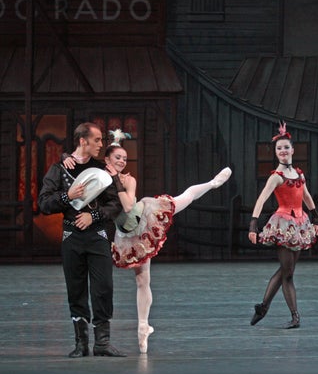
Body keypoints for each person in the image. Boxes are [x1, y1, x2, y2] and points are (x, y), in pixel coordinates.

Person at [63, 130, 232, 353]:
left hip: (144, 217)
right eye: (117, 158)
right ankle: (143, 328)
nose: (122, 161)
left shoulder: (127, 179)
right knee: (142, 281)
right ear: (106, 160)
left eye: (124, 158)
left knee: (185, 197)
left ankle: (212, 183)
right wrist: (64, 156)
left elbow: (127, 204)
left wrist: (116, 179)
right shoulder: (99, 176)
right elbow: (81, 166)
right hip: (126, 234)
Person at [38, 122, 125, 357]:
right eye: (97, 140)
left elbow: (115, 204)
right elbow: (44, 203)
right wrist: (67, 196)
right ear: (83, 141)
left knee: (103, 287)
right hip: (71, 237)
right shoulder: (60, 169)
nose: (100, 144)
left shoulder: (102, 170)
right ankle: (81, 344)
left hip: (97, 236)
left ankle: (102, 343)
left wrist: (93, 215)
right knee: (75, 290)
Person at [248, 122, 318, 329]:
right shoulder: (276, 177)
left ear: (292, 150)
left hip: (299, 223)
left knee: (286, 271)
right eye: (279, 148)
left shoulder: (299, 174)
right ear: (276, 152)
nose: (282, 151)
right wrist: (253, 225)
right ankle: (294, 316)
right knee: (287, 272)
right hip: (283, 224)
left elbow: (306, 196)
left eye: (286, 148)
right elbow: (261, 199)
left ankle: (263, 307)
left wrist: (316, 218)